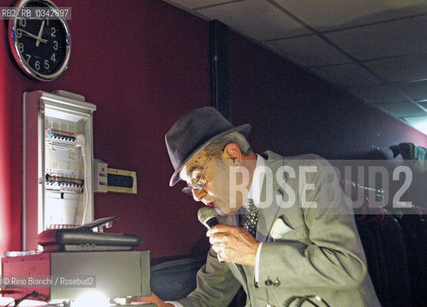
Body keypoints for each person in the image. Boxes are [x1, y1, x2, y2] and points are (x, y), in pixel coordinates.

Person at [135, 107, 381, 307]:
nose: (197, 196)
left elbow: (347, 266)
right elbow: (210, 297)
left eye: (198, 179)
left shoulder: (308, 175)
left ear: (232, 156)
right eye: (190, 188)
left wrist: (256, 255)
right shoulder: (224, 219)